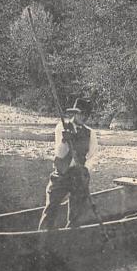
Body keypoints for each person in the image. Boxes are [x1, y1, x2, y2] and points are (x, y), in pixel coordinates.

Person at [38, 98, 99, 230]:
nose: (83, 117)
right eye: (81, 113)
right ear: (75, 113)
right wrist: (65, 141)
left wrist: (86, 169)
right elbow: (59, 154)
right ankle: (42, 238)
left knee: (76, 213)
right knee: (51, 207)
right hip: (61, 173)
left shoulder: (90, 133)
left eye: (86, 115)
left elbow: (93, 156)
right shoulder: (61, 127)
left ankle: (70, 237)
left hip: (78, 175)